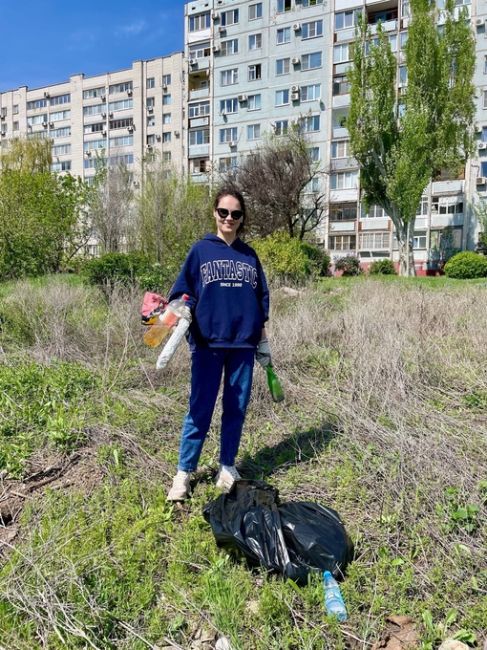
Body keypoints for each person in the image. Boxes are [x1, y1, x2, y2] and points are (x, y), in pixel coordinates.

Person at [166, 188, 272, 501]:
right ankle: (184, 473)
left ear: (242, 218)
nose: (229, 218)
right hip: (207, 342)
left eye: (236, 214)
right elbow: (180, 293)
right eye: (224, 212)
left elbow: (260, 299)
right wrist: (180, 307)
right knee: (200, 408)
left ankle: (227, 466)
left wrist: (263, 341)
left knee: (235, 408)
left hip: (243, 344)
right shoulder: (200, 250)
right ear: (215, 213)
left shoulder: (249, 255)